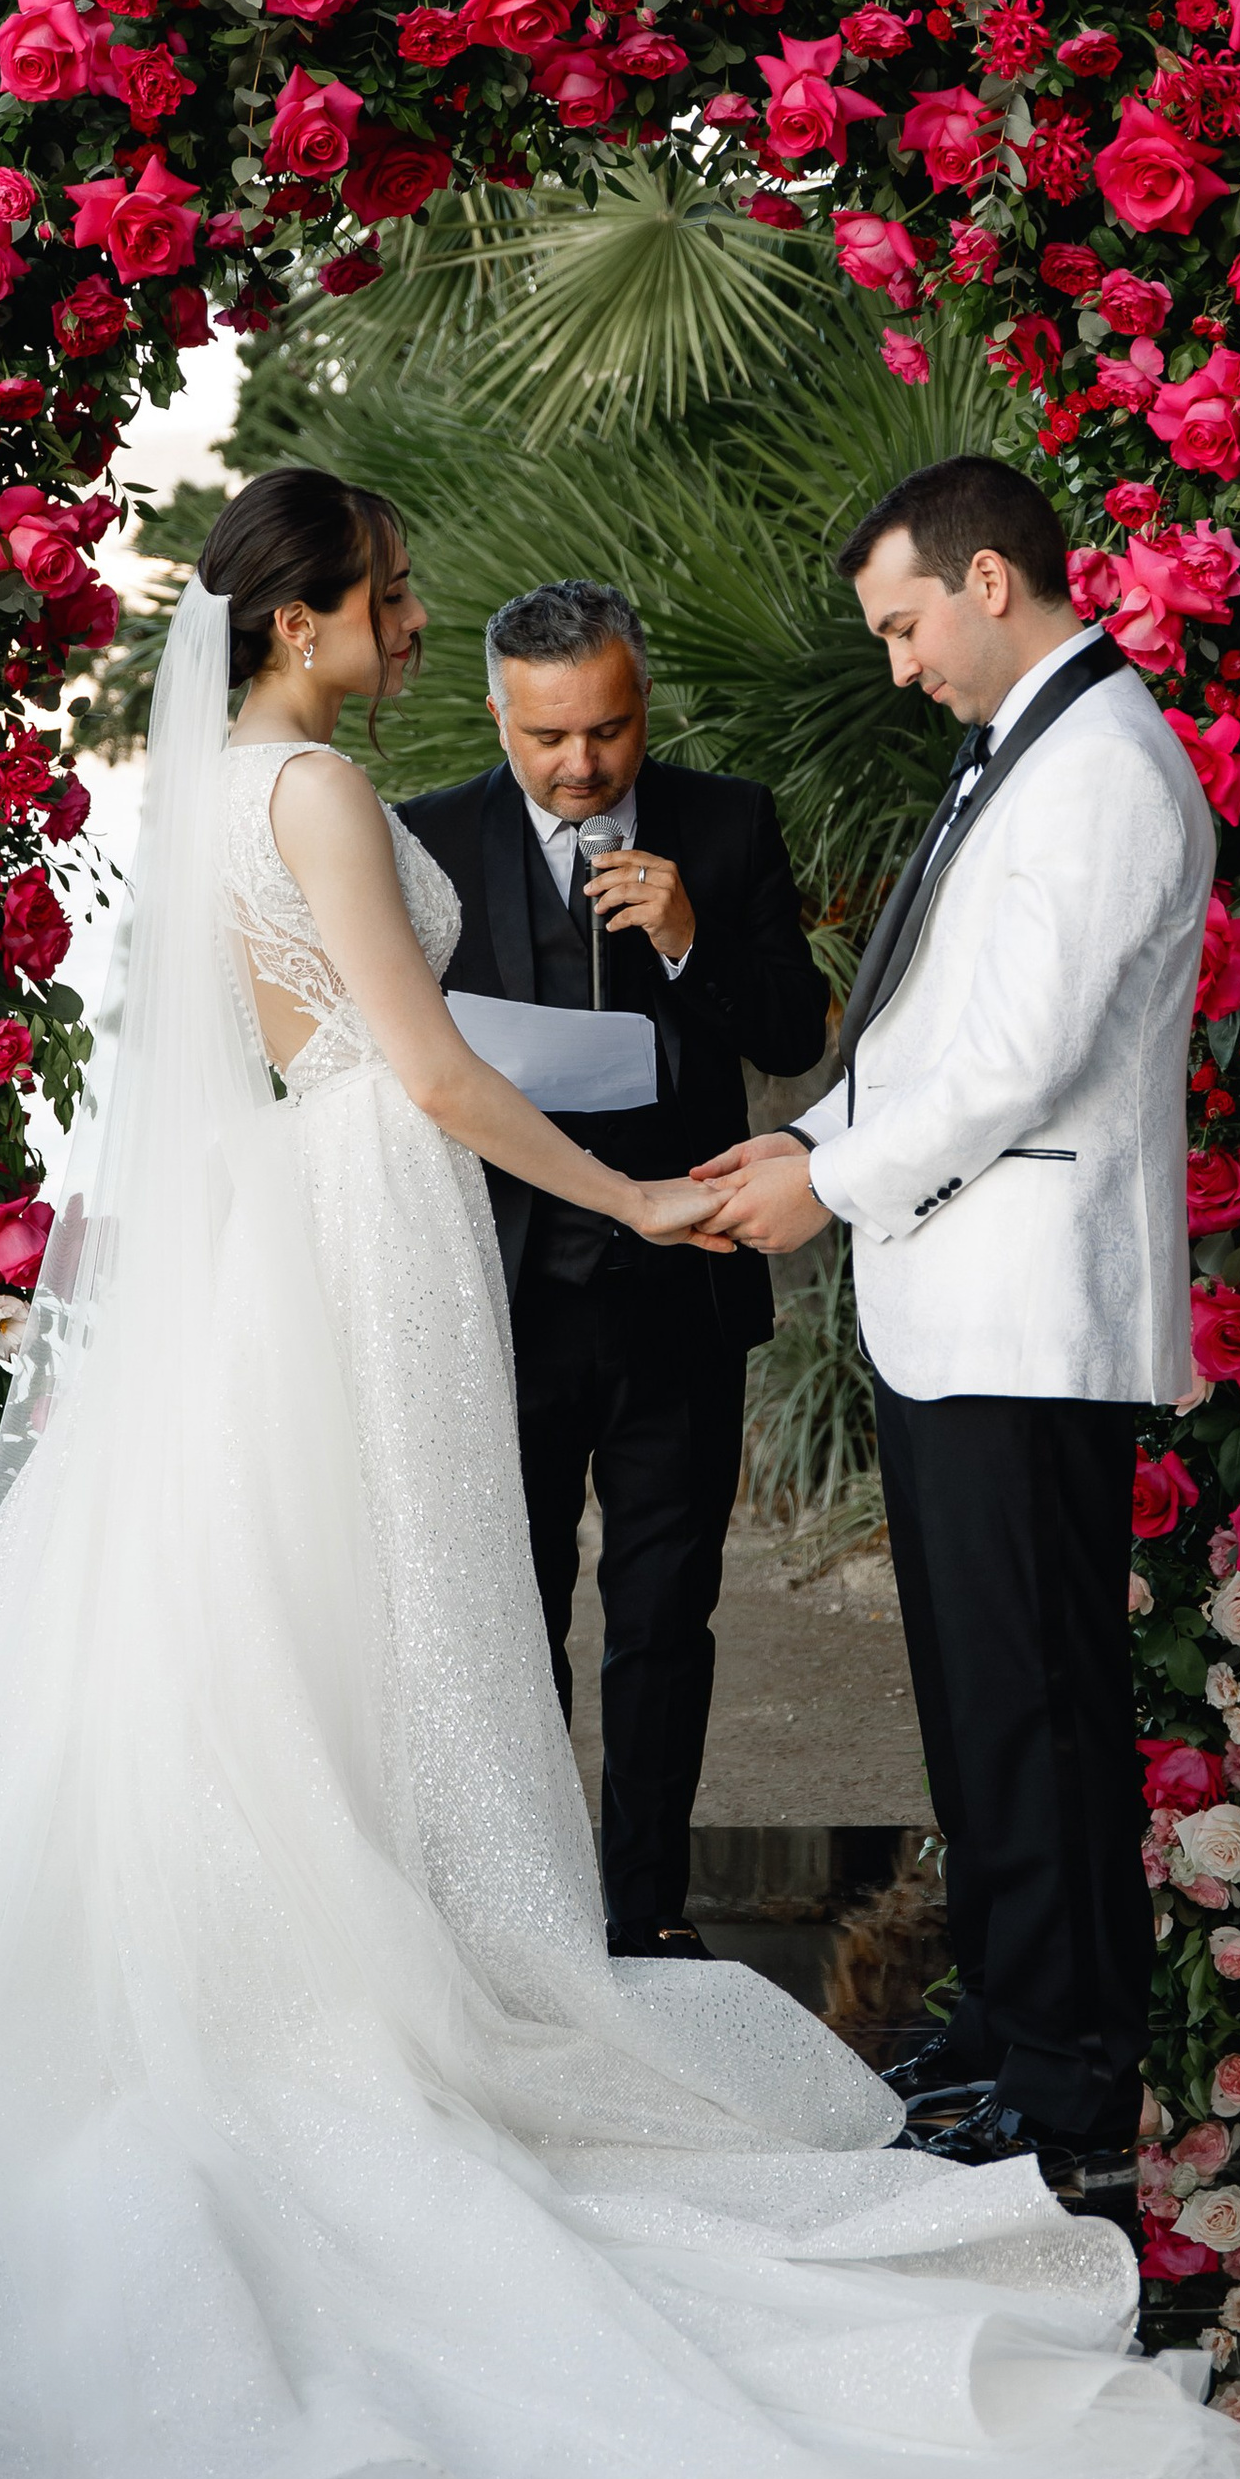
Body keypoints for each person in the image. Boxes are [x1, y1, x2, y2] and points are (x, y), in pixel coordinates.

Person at [0, 468, 1240, 2479]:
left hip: (365, 1256)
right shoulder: (316, 786)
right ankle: (410, 1984)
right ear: (305, 622)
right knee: (393, 1634)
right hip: (398, 1230)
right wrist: (638, 1194)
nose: (411, 628)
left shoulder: (226, 784)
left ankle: (478, 1952)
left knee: (380, 1643)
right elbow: (414, 1070)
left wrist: (715, 1139)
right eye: (384, 601)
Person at [694, 449, 1216, 2479]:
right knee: (1004, 1709)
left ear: (990, 581)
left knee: (1026, 1711)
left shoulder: (1107, 769)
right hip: (969, 1313)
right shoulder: (1037, 749)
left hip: (1009, 1315)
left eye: (902, 618)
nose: (889, 657)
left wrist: (822, 1175)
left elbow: (999, 1054)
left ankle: (1062, 2053)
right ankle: (1035, 2019)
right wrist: (821, 1143)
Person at [400, 583, 829, 1956]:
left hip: (681, 1296)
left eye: (609, 729)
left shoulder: (728, 821)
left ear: (645, 703)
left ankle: (644, 1913)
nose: (580, 765)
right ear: (497, 715)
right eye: (547, 739)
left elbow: (789, 1035)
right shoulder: (425, 842)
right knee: (511, 1613)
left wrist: (695, 938)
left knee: (666, 1615)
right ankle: (522, 1915)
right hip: (503, 1296)